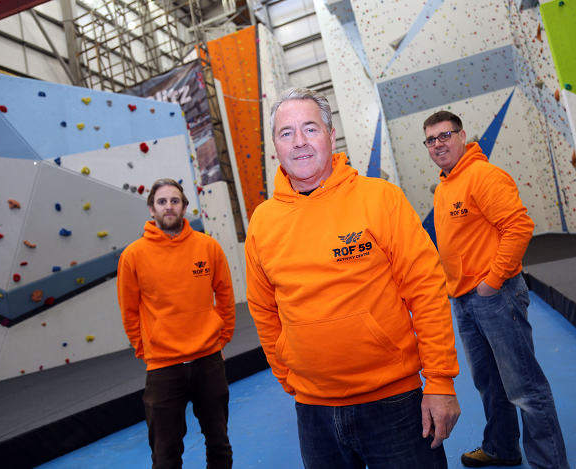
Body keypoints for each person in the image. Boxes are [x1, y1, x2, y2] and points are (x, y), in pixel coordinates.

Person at [245, 87, 461, 469]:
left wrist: (441, 381)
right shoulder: (262, 222)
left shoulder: (380, 199)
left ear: (331, 135)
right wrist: (289, 377)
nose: (299, 143)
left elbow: (426, 292)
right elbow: (263, 309)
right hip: (313, 412)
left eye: (310, 129)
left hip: (394, 402)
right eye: (286, 133)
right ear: (275, 146)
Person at [423, 111, 569, 469]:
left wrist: (492, 282)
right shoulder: (444, 187)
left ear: (462, 135)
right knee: (490, 383)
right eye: (431, 139)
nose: (438, 144)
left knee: (524, 386)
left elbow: (519, 226)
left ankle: (550, 464)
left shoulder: (483, 175)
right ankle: (502, 448)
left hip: (494, 295)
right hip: (464, 300)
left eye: (445, 135)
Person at [117, 179, 235, 469]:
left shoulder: (208, 247)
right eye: (162, 201)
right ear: (151, 209)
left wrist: (222, 340)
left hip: (208, 360)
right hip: (163, 367)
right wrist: (146, 350)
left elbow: (226, 295)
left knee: (219, 443)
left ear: (184, 206)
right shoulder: (132, 255)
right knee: (165, 455)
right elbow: (129, 311)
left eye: (174, 201)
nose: (168, 206)